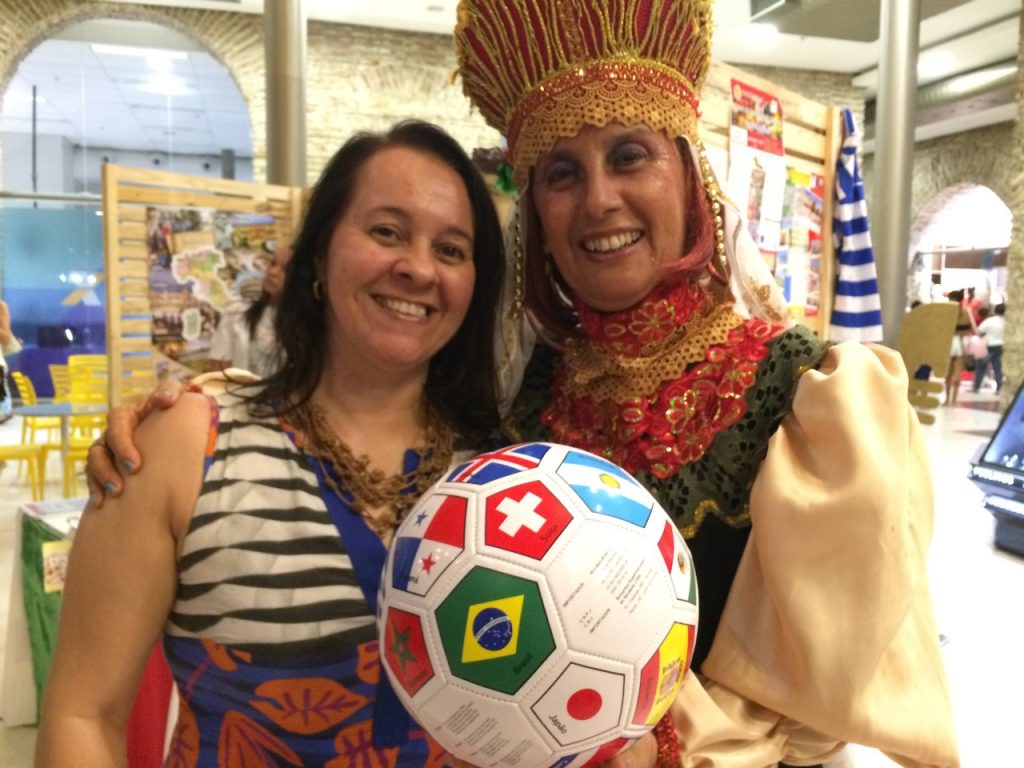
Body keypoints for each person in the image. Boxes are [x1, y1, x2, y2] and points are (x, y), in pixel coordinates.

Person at [88, 1, 958, 765]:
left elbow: (823, 700)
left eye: (630, 155)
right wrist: (185, 415)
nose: (599, 200)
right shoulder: (520, 399)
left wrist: (658, 745)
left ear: (691, 175)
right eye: (562, 173)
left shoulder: (812, 395)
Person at [36, 120, 507, 767]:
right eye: (386, 232)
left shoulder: (501, 478)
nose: (418, 268)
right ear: (319, 256)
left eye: (451, 250)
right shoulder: (183, 445)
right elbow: (84, 714)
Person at [207, 240, 292, 377]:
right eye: (273, 263)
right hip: (240, 390)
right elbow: (217, 373)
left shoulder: (314, 325)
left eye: (286, 270)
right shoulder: (237, 312)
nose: (273, 272)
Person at [944, 288, 974, 406]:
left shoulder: (948, 311)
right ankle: (954, 400)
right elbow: (970, 328)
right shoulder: (967, 311)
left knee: (948, 373)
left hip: (950, 342)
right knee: (957, 373)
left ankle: (947, 399)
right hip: (962, 343)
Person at [974, 302, 1006, 393]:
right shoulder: (1007, 322)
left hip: (989, 346)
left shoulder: (990, 321)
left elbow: (979, 332)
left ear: (995, 310)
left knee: (981, 366)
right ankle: (999, 387)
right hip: (1001, 346)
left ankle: (976, 386)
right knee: (997, 367)